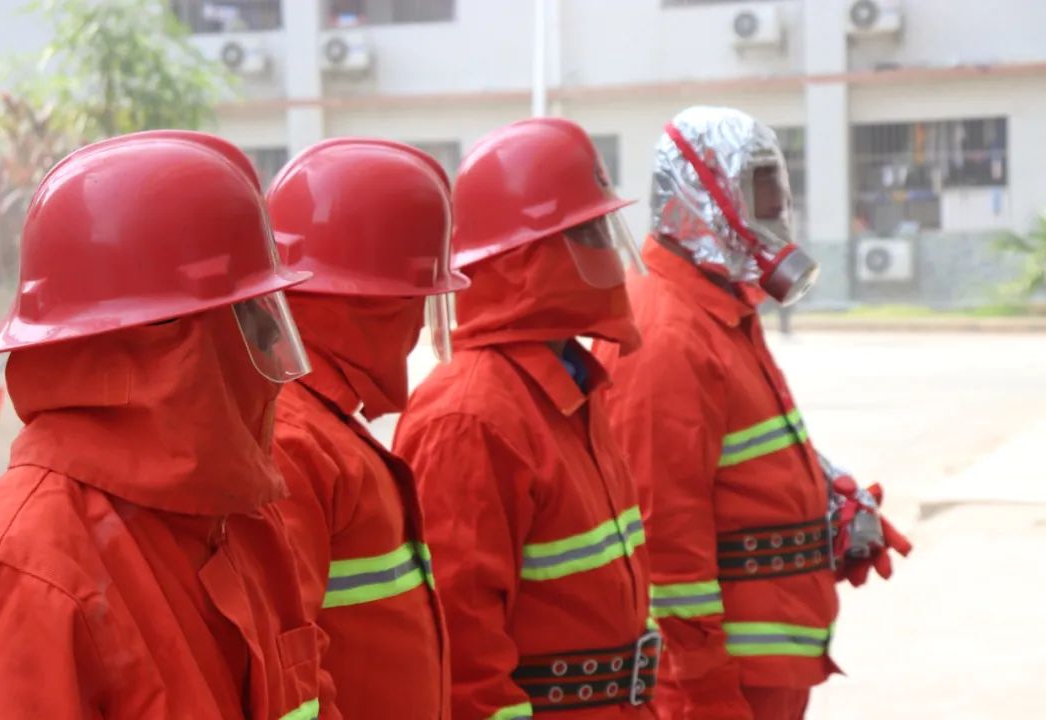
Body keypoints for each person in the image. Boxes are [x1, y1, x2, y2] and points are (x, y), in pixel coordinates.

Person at [0, 130, 325, 719]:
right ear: (168, 342)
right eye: (251, 318)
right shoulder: (24, 571)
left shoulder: (245, 525)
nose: (270, 348)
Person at [594, 107, 910, 720]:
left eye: (777, 187)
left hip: (764, 667)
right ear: (701, 194)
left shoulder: (719, 309)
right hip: (717, 685)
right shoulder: (666, 336)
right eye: (758, 188)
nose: (776, 208)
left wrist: (821, 507)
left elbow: (738, 463)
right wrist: (706, 692)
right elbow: (664, 545)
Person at [393, 117, 658, 720]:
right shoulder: (471, 416)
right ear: (527, 259)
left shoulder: (567, 388)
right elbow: (464, 656)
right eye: (587, 233)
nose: (606, 251)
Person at [265, 138, 468, 719]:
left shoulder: (318, 430)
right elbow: (290, 679)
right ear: (373, 304)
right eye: (415, 302)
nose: (418, 331)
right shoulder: (294, 444)